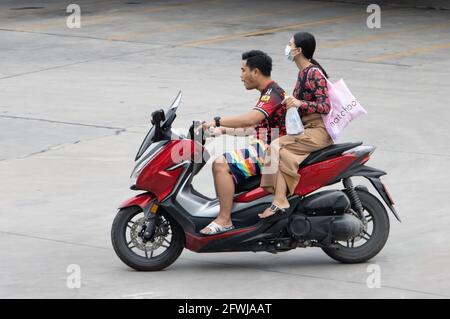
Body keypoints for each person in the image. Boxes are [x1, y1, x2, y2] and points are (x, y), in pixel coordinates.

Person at [200, 50, 286, 235]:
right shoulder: (268, 93)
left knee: (220, 165)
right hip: (264, 144)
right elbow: (253, 128)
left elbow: (250, 120)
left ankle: (224, 220)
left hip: (272, 150)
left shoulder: (273, 94)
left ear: (255, 72)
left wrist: (217, 121)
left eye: (243, 70)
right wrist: (223, 131)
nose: (241, 76)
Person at [258, 31, 334, 219]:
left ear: (298, 50)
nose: (287, 47)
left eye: (289, 44)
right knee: (282, 152)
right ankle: (281, 199)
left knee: (276, 146)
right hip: (307, 128)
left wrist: (300, 103)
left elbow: (325, 106)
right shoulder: (303, 73)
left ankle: (280, 200)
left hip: (319, 131)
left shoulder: (313, 73)